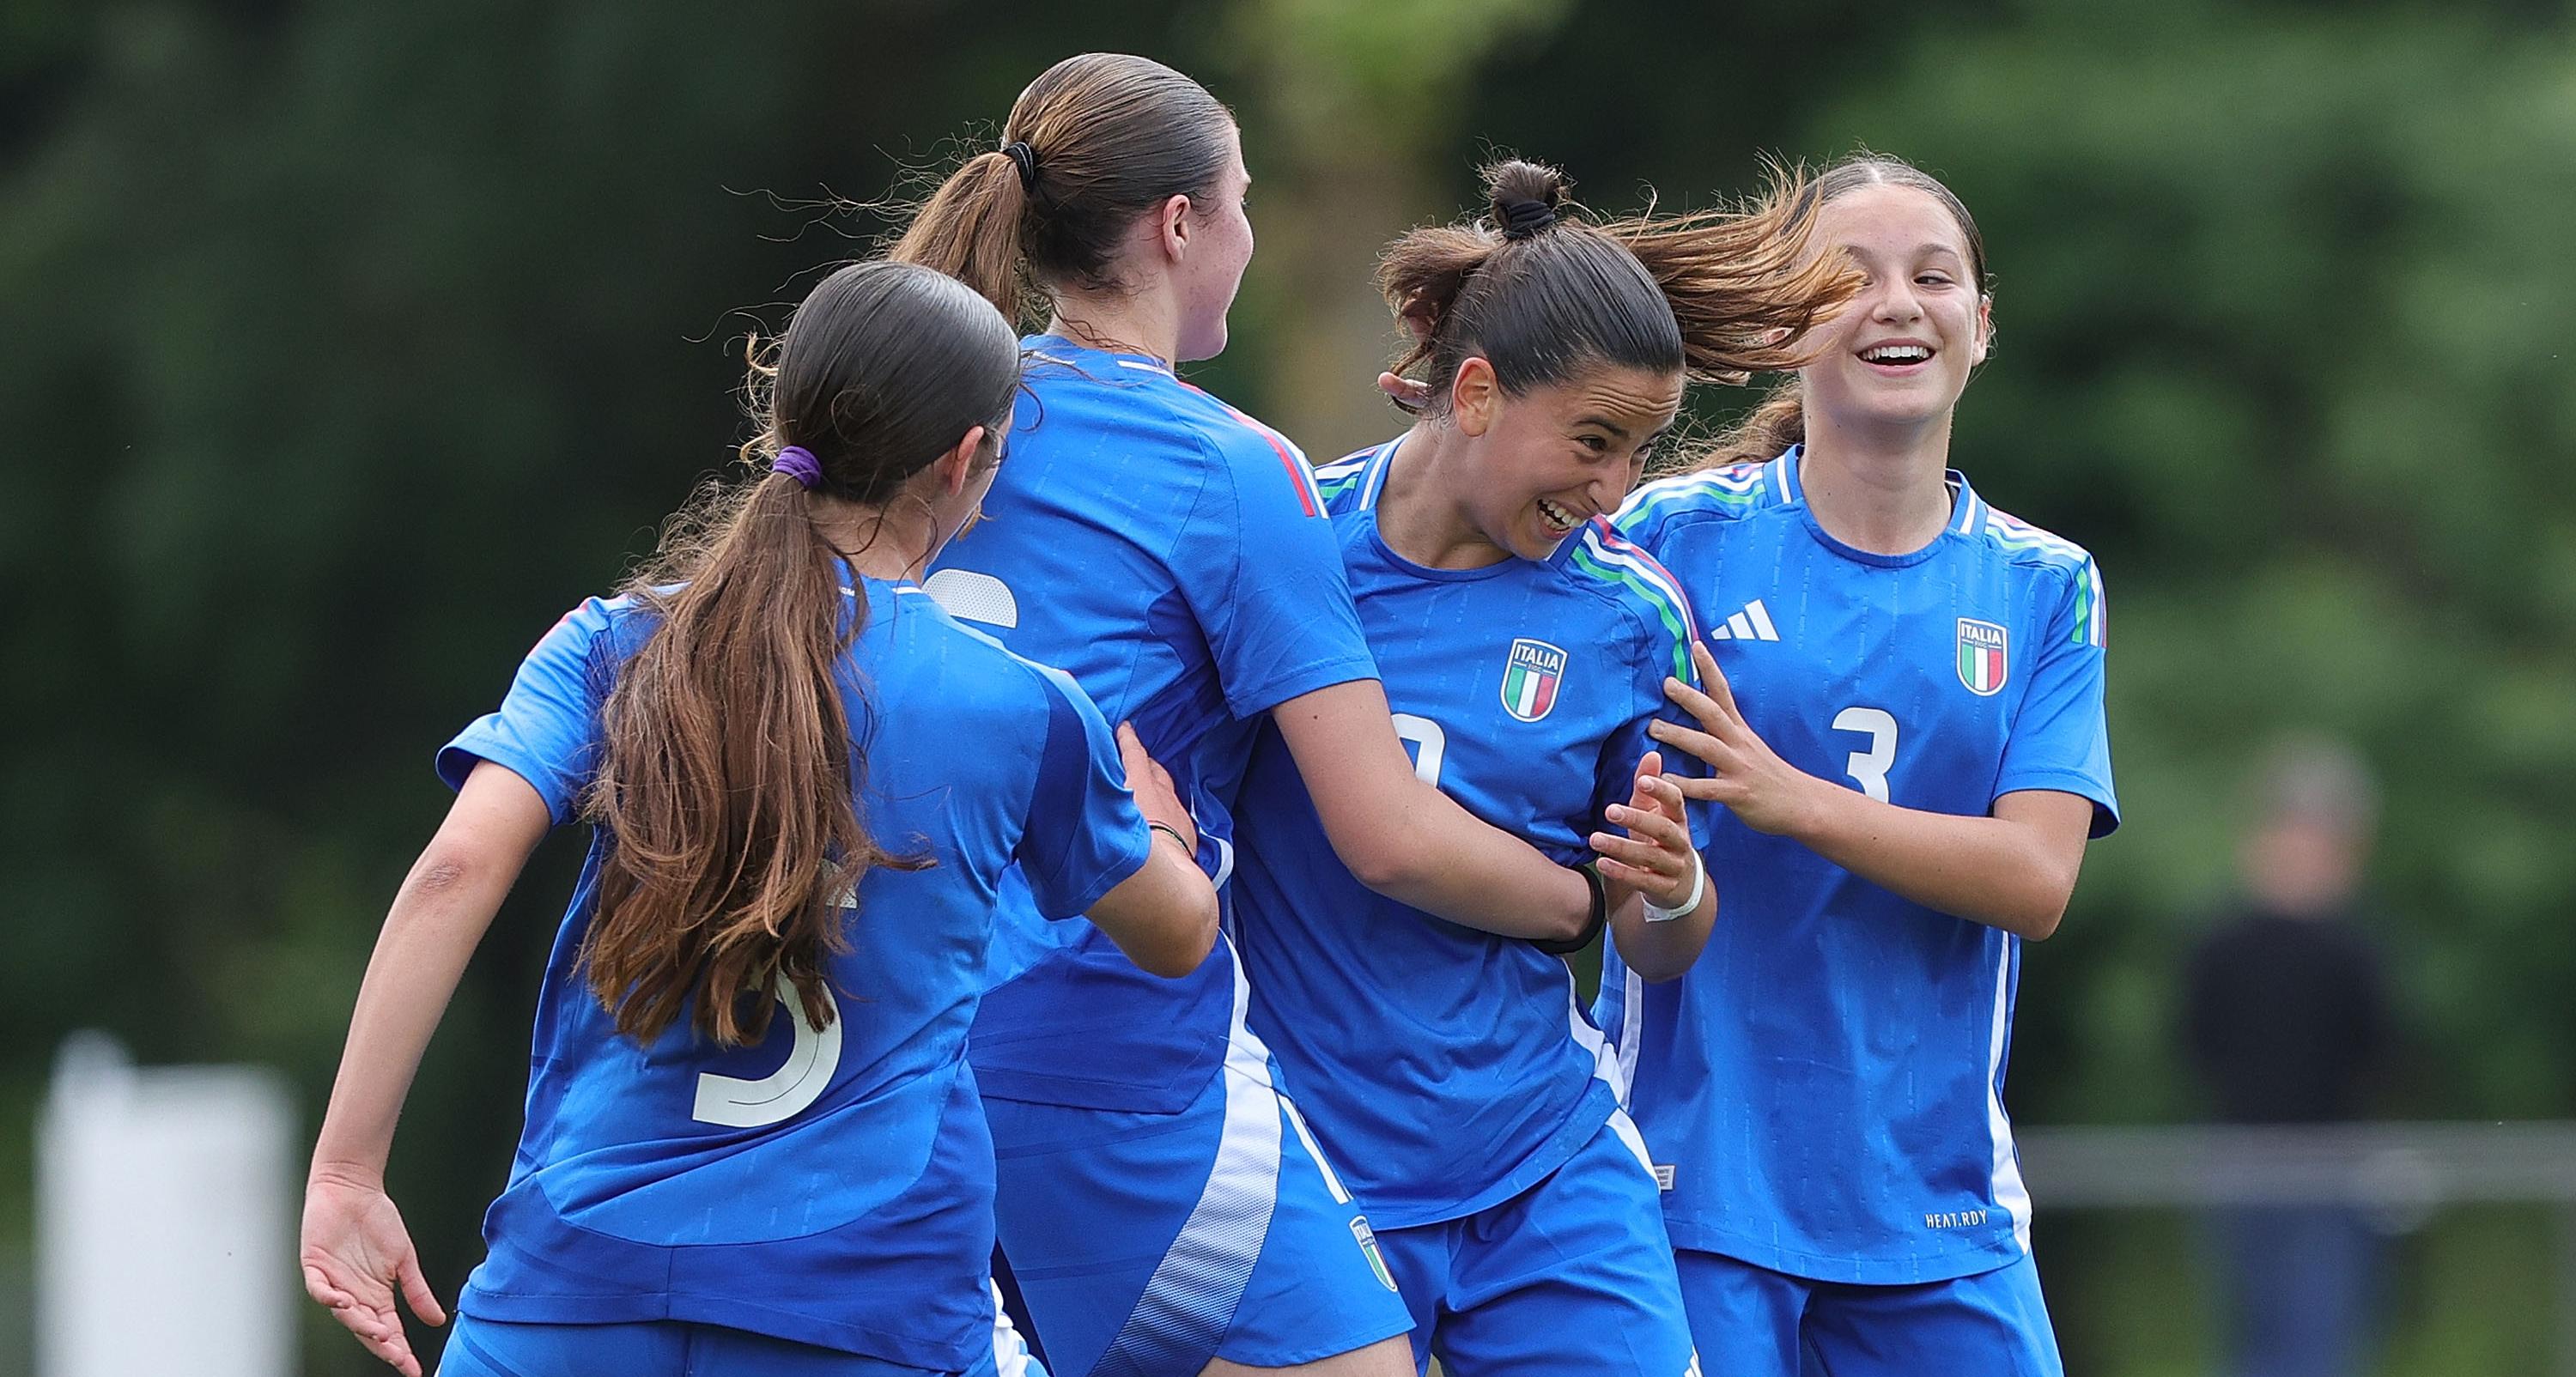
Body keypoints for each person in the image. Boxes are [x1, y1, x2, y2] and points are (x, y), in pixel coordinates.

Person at [297, 259, 1220, 1377]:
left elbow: (455, 873)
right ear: (966, 463)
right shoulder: (1027, 710)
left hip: (574, 1290)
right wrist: (1167, 832)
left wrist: (347, 1173)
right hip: (866, 1305)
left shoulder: (613, 643)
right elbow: (1175, 938)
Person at [889, 53, 1615, 1377]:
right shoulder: (1230, 465)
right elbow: (1384, 829)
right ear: (1180, 226)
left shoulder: (938, 418)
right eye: (1241, 201)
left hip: (890, 1028)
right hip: (1102, 1041)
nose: (1252, 234)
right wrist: (1583, 904)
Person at [1233, 159, 1849, 1376]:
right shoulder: (1284, 552)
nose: (1614, 486)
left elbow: (1659, 939)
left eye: (1641, 450)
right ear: (1472, 392)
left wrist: (1664, 889)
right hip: (1309, 1172)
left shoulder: (1633, 616)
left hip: (1540, 1163)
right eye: (1593, 440)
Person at [1599, 154, 2119, 1376]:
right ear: (1788, 323)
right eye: (1853, 276)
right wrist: (1666, 880)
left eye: (1934, 277)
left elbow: (2037, 881)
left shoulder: (2046, 585)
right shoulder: (1674, 541)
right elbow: (1638, 907)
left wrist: (1793, 802)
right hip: (1695, 1192)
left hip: (1936, 1210)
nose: (1899, 303)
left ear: (1981, 327)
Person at [2182, 737, 2395, 1377]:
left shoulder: (2355, 950)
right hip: (2241, 1162)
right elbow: (2196, 1043)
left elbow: (2382, 1055)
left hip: (2332, 1169)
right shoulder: (2220, 944)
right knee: (2251, 1332)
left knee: (2320, 1335)